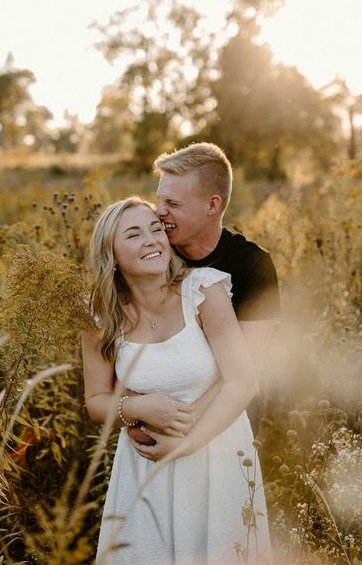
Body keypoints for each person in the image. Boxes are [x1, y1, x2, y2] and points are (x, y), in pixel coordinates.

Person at [82, 197, 272, 565]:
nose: (152, 240)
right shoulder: (100, 316)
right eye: (134, 235)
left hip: (219, 452)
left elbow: (243, 382)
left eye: (156, 229)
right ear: (112, 255)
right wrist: (138, 407)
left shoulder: (202, 291)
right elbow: (95, 401)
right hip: (145, 468)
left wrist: (184, 446)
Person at [129, 142, 280, 449]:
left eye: (173, 203)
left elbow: (251, 363)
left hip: (230, 422)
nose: (159, 211)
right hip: (153, 425)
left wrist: (185, 421)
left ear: (212, 205)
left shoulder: (253, 265)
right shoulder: (154, 254)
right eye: (159, 199)